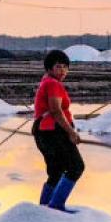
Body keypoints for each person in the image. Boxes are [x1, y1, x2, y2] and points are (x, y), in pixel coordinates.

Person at [33, 49, 84, 212]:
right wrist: (71, 132)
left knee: (56, 171)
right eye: (58, 67)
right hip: (54, 131)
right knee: (76, 167)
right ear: (49, 69)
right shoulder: (53, 84)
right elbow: (56, 110)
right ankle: (56, 205)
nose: (63, 71)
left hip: (43, 132)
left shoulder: (46, 81)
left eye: (65, 67)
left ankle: (44, 208)